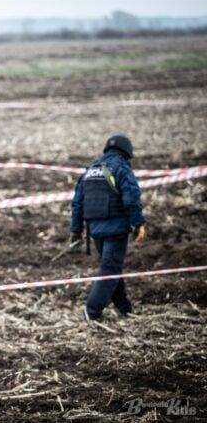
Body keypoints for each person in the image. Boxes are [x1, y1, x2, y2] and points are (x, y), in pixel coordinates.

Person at [70, 134, 147, 321]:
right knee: (110, 270)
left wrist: (76, 231)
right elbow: (131, 198)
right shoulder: (121, 168)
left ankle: (124, 308)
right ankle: (92, 311)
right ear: (127, 152)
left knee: (111, 268)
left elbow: (77, 203)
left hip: (95, 230)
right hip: (116, 229)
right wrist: (138, 223)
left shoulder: (90, 170)